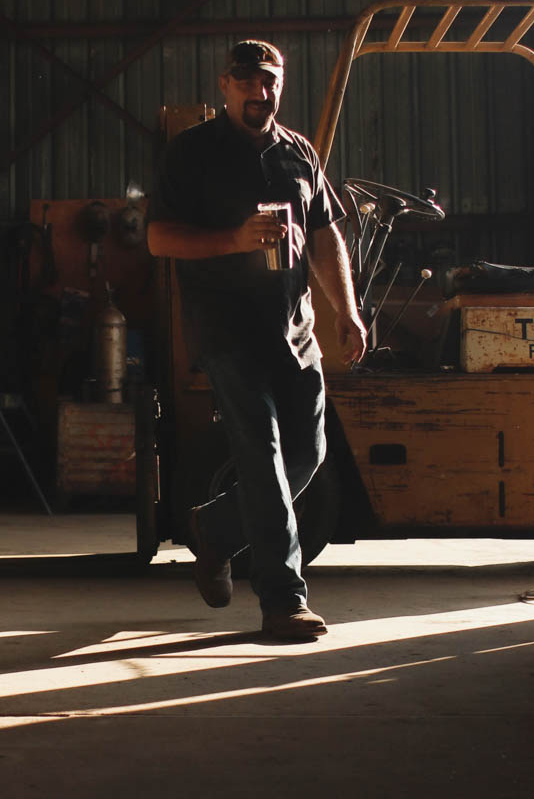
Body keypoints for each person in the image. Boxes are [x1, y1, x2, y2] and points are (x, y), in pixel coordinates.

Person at [147, 39, 366, 641]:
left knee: (308, 454)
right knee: (263, 457)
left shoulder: (298, 152)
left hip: (295, 333)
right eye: (246, 81)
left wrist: (346, 311)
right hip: (226, 331)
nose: (259, 91)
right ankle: (283, 601)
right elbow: (160, 239)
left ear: (280, 84)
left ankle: (214, 531)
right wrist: (236, 240)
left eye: (269, 81)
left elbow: (326, 238)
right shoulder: (191, 154)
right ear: (225, 85)